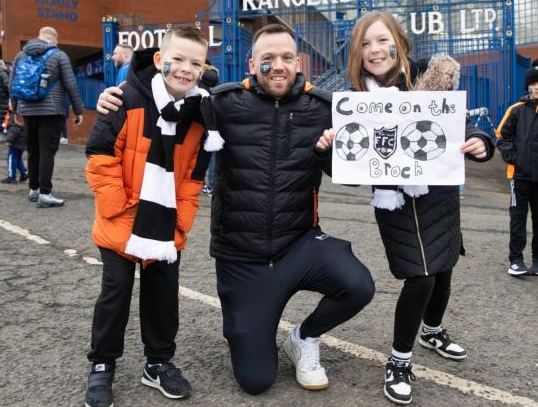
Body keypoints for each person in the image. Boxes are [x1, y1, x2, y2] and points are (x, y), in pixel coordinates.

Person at [96, 23, 376, 395]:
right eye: (268, 58)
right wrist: (116, 95)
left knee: (359, 285)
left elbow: (356, 172)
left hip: (300, 244)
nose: (278, 65)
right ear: (251, 63)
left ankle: (303, 338)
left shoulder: (324, 108)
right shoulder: (221, 102)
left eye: (287, 58)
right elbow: (167, 93)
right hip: (243, 257)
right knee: (256, 381)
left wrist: (329, 152)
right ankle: (242, 322)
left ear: (299, 62)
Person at [315, 11, 493, 405]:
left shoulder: (429, 85)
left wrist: (481, 141)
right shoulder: (354, 103)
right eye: (365, 44)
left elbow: (464, 127)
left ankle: (432, 330)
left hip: (438, 195)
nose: (375, 50)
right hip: (394, 203)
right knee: (421, 276)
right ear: (357, 54)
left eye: (382, 40)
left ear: (399, 42)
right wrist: (329, 150)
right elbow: (350, 174)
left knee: (443, 266)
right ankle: (399, 359)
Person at [84, 26, 211, 407]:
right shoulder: (126, 99)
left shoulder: (204, 115)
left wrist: (180, 221)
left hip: (165, 224)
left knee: (162, 296)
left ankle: (158, 363)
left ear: (203, 70)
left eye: (196, 63)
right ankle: (102, 365)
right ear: (159, 60)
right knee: (115, 293)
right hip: (121, 219)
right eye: (178, 59)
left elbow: (194, 178)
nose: (185, 69)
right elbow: (100, 155)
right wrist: (117, 208)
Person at [496, 59, 538, 277]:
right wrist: (514, 157)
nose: (537, 87)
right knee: (518, 218)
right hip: (519, 175)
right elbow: (501, 135)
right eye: (533, 83)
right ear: (528, 86)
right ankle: (516, 260)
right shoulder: (516, 110)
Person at [10, 26, 85, 208]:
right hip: (51, 111)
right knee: (47, 152)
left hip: (27, 110)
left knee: (33, 150)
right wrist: (78, 110)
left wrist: (16, 110)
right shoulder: (59, 55)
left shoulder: (21, 55)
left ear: (39, 37)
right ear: (54, 40)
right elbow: (70, 84)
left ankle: (33, 189)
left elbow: (13, 84)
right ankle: (45, 193)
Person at [198, 62, 219, 195]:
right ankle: (210, 184)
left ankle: (209, 184)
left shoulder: (199, 89)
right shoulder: (215, 89)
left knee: (210, 157)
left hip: (204, 130)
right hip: (213, 130)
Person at [1, 115, 27, 184]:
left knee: (11, 158)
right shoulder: (24, 112)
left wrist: (9, 140)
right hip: (23, 140)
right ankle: (23, 173)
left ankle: (11, 177)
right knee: (18, 158)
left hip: (16, 141)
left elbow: (15, 129)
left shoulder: (16, 114)